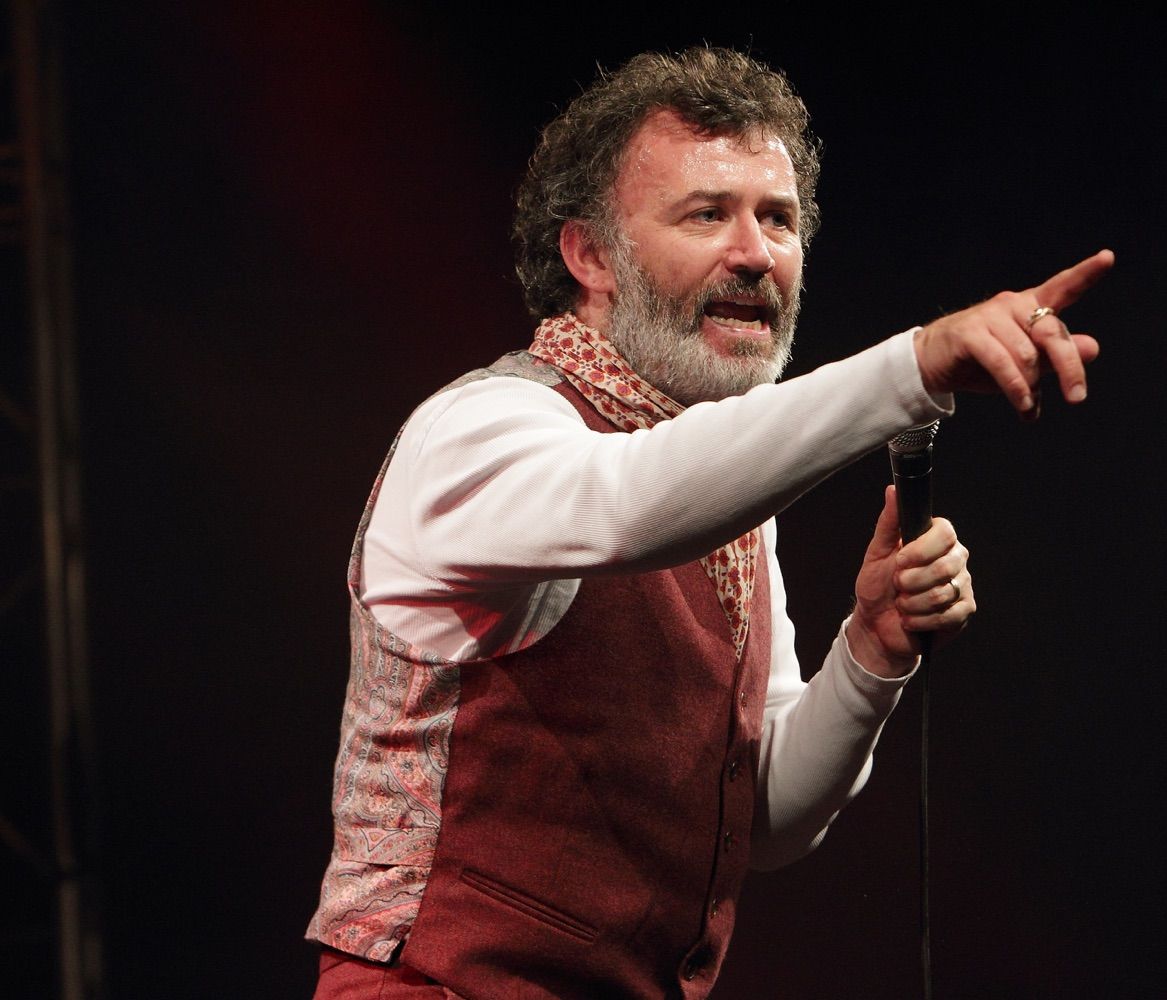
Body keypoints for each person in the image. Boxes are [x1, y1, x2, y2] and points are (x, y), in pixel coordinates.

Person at [307, 46, 1111, 1000]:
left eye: (778, 218)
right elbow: (625, 504)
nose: (755, 253)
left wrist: (871, 654)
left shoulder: (723, 496)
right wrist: (915, 367)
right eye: (707, 214)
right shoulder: (480, 432)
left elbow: (762, 819)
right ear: (590, 255)